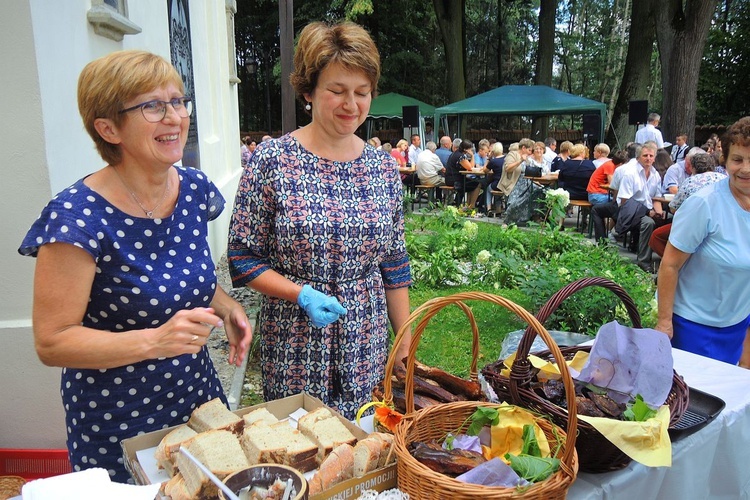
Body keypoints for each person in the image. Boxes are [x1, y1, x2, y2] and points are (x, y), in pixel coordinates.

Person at [17, 50, 253, 482]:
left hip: (197, 397)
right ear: (108, 128)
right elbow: (51, 342)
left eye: (178, 101)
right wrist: (154, 341)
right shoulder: (76, 217)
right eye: (152, 106)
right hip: (117, 420)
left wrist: (226, 306)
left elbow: (183, 275)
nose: (175, 117)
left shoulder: (195, 189)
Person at [227, 21, 412, 419]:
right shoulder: (272, 161)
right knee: (299, 451)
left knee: (364, 447)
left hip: (365, 336)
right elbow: (242, 258)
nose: (352, 104)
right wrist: (301, 294)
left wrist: (405, 338)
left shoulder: (382, 167)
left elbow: (394, 262)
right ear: (309, 91)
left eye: (362, 93)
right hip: (295, 340)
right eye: (338, 91)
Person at [656, 116, 750, 365]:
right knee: (693, 402)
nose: (746, 169)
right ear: (725, 161)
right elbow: (670, 265)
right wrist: (664, 322)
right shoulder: (705, 204)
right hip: (694, 328)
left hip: (738, 325)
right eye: (737, 159)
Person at [648, 153, 724, 257]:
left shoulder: (690, 181)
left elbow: (673, 209)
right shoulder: (725, 180)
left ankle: (676, 264)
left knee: (656, 237)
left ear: (692, 167)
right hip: (723, 225)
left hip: (694, 226)